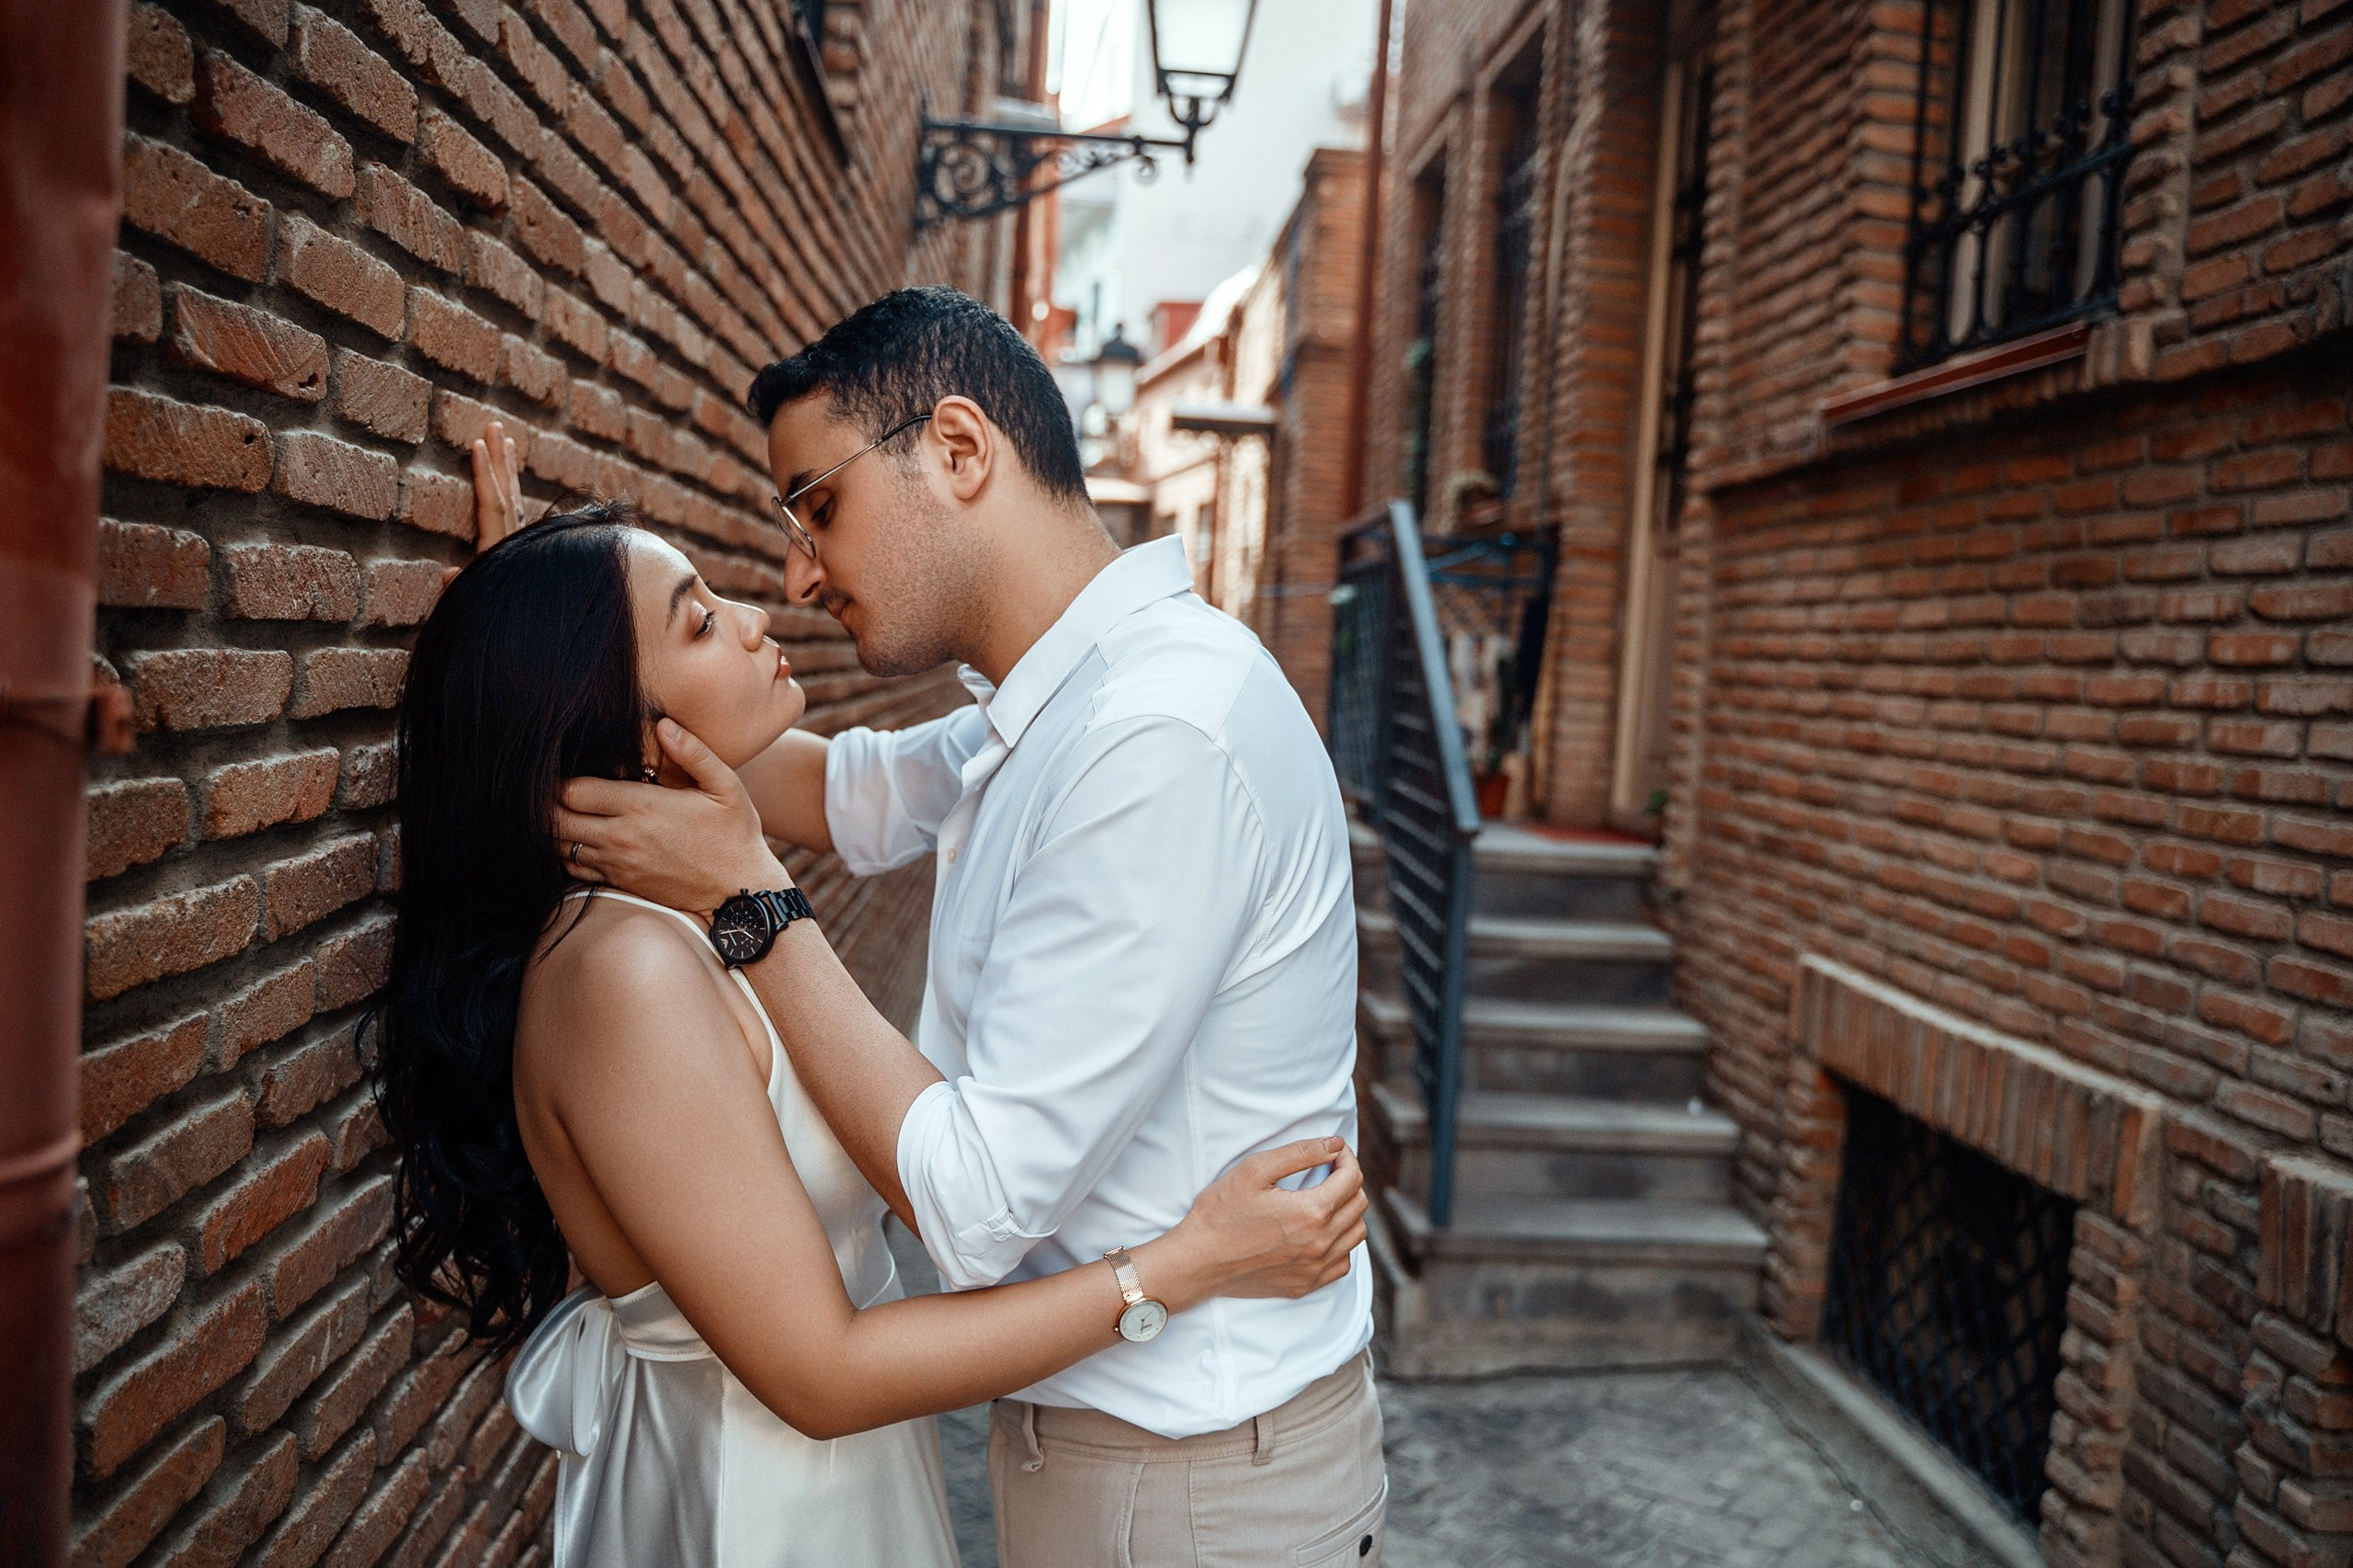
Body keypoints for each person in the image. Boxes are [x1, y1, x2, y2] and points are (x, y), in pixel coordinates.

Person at [373, 428, 1369, 1568]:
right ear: (620, 728)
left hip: (840, 1486)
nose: (770, 603)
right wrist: (1184, 1264)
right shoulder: (629, 967)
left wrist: (542, 662)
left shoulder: (1092, 730)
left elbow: (828, 779)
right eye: (701, 619)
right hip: (752, 1505)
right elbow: (826, 1366)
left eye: (820, 510)